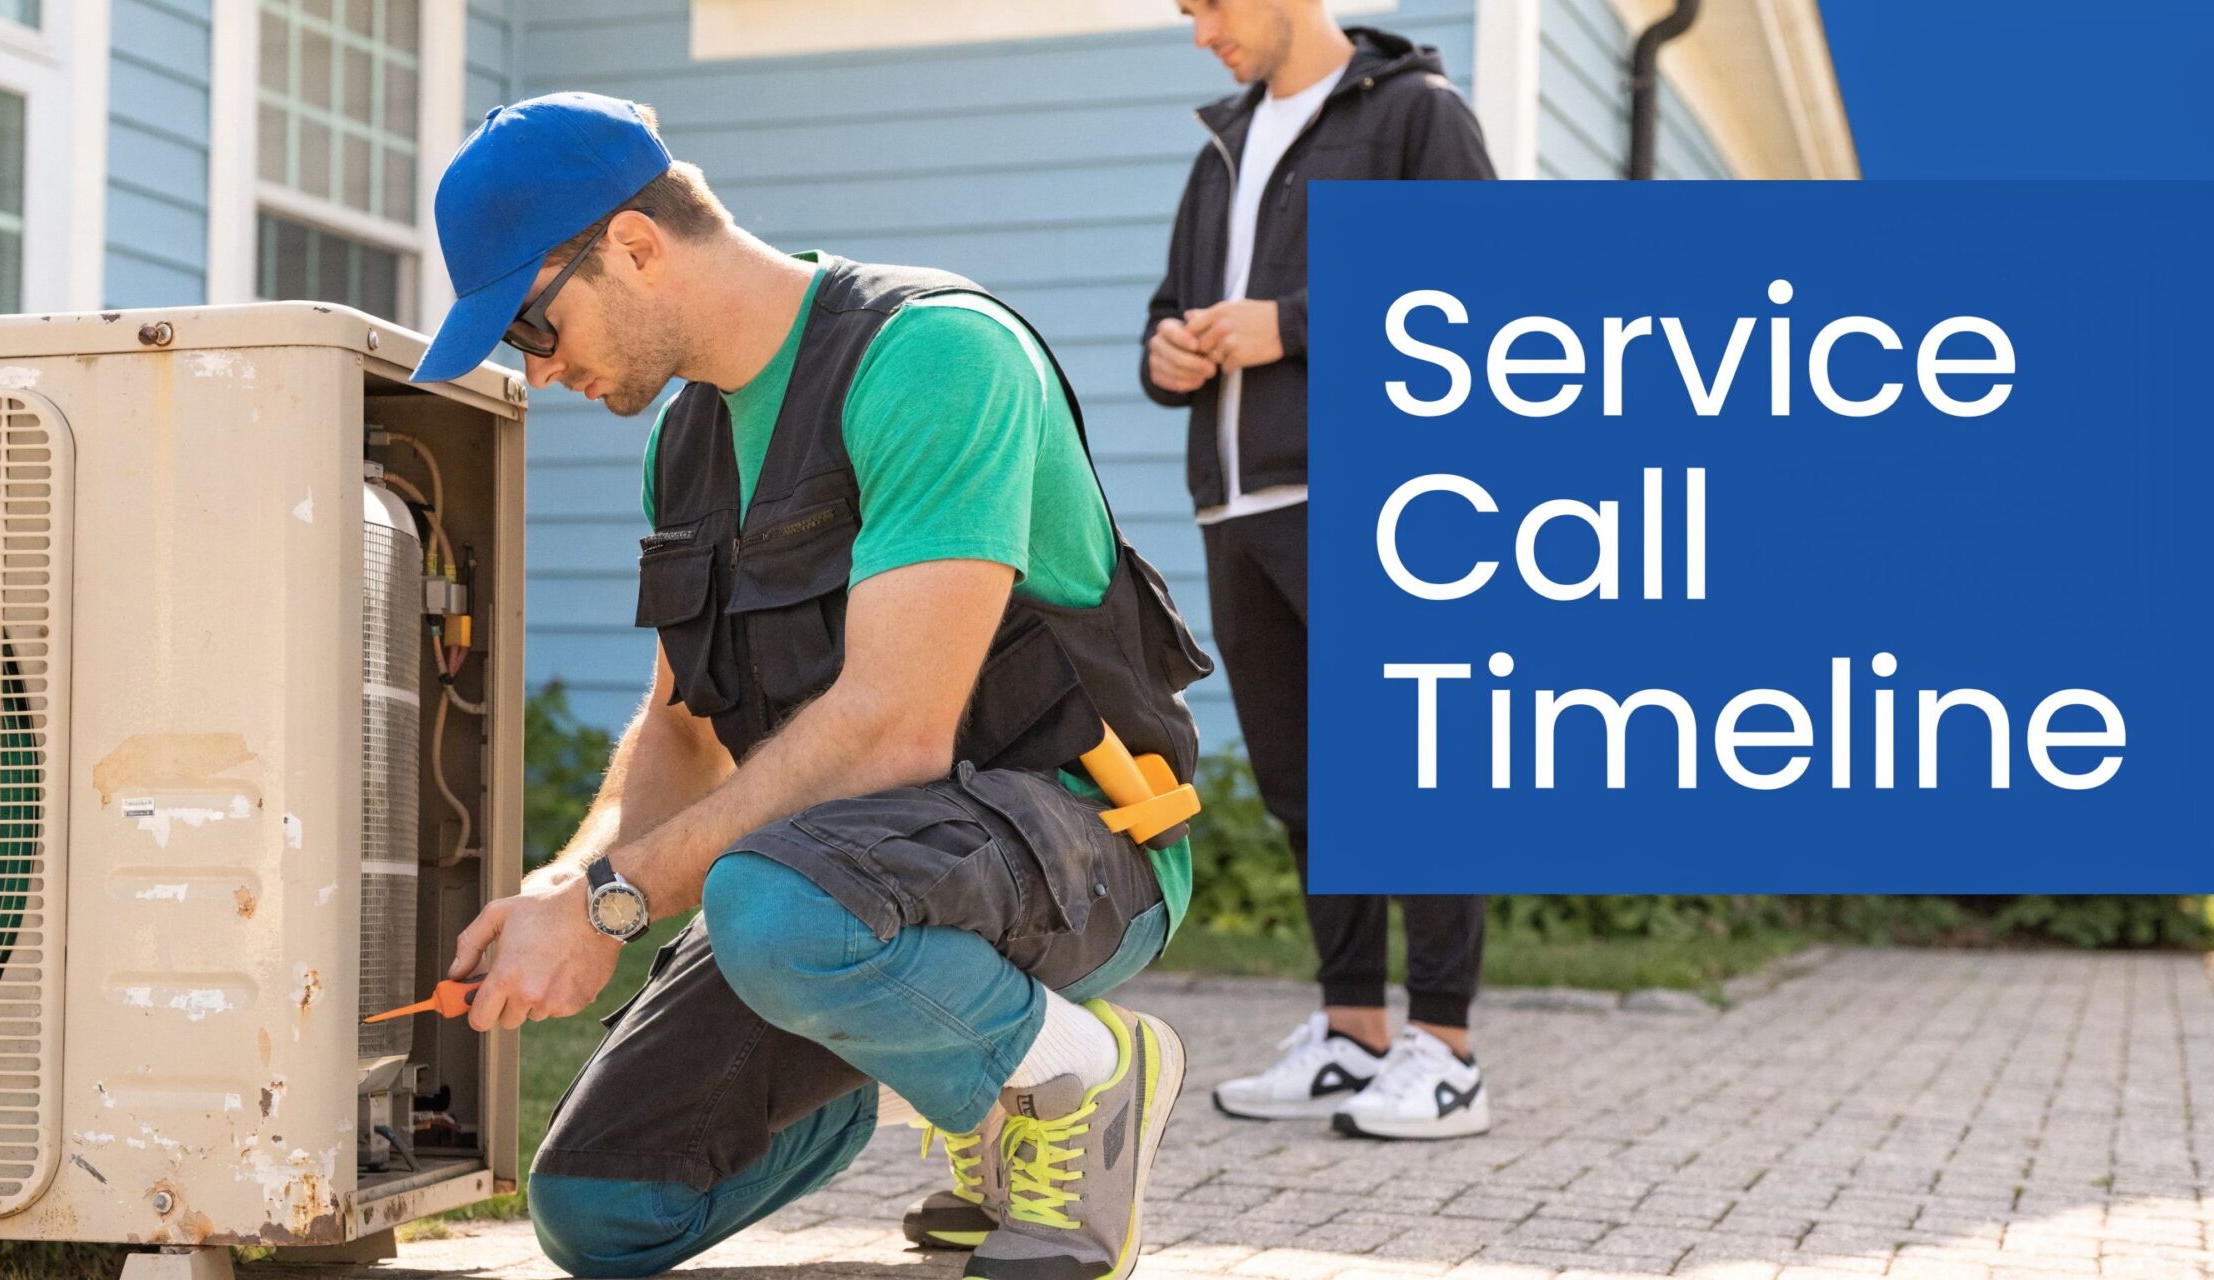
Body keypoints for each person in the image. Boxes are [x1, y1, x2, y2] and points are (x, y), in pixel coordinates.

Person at [410, 92, 1217, 1280]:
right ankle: (942, 1069)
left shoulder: (934, 353)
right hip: (849, 885)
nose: (536, 371)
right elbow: (681, 736)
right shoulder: (684, 451)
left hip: (1077, 844)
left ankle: (1071, 1075)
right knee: (603, 1210)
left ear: (632, 245)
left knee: (770, 910)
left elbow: (896, 726)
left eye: (533, 327)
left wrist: (614, 907)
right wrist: (571, 882)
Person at [1142, 0, 1498, 1141]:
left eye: (1208, 6)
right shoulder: (1223, 142)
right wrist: (1168, 349)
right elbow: (1175, 307)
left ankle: (1443, 1047)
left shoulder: (1414, 116)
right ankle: (1351, 1032)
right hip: (1236, 503)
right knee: (1307, 785)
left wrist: (1291, 326)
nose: (1199, 32)